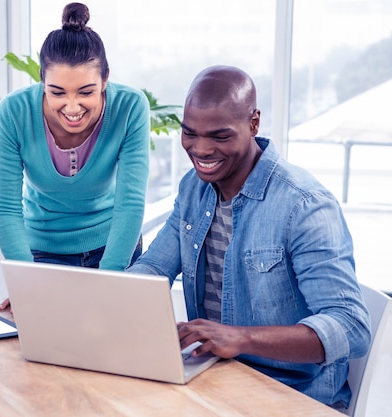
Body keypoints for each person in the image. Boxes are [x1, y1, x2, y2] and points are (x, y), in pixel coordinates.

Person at [127, 65, 371, 408]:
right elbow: (154, 267)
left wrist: (241, 338)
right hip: (213, 381)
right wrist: (108, 302)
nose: (201, 149)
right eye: (190, 133)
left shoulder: (305, 205)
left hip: (291, 395)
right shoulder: (194, 189)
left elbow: (351, 327)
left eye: (219, 136)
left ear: (253, 123)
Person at [0, 3, 149, 288]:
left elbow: (130, 204)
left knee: (112, 331)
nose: (72, 107)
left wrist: (110, 275)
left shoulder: (130, 107)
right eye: (57, 92)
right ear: (42, 81)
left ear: (105, 79)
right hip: (42, 252)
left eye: (86, 92)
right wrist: (26, 282)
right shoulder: (13, 112)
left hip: (113, 246)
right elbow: (5, 208)